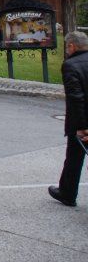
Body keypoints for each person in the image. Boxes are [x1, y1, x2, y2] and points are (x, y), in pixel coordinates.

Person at [49, 31, 88, 207]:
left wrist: (81, 126)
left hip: (81, 120)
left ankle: (67, 192)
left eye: (67, 47)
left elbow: (75, 97)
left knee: (74, 157)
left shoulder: (70, 65)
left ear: (72, 46)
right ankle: (66, 191)